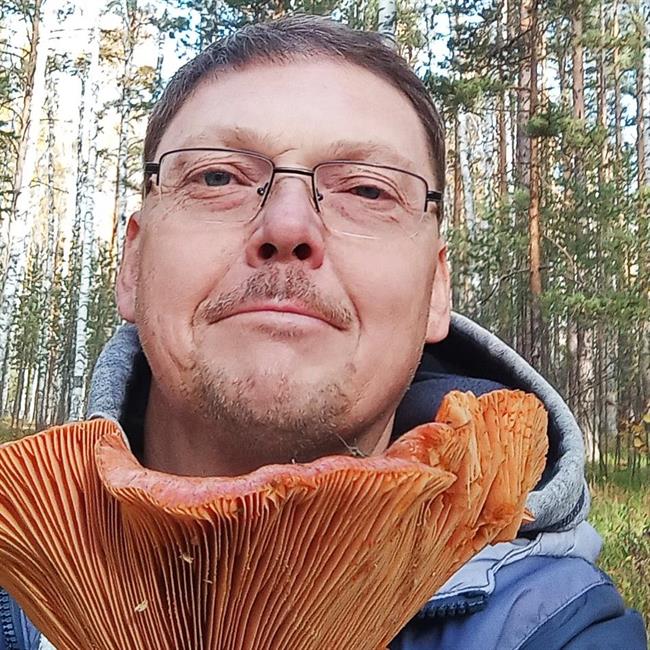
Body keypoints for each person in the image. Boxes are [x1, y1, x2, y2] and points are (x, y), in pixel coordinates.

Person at [0, 15, 647, 650]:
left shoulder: (556, 626)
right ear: (133, 265)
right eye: (218, 177)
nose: (287, 226)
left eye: (367, 190)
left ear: (435, 291)